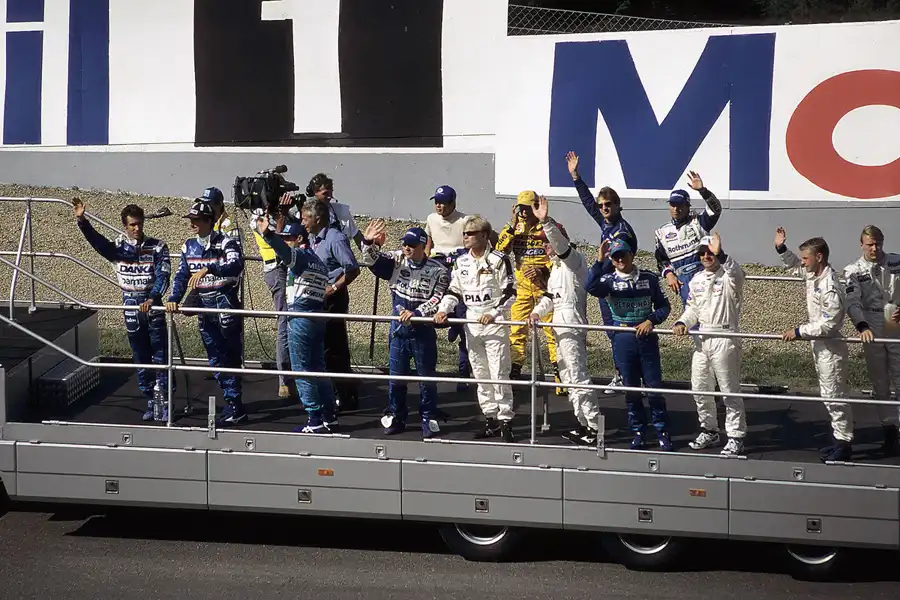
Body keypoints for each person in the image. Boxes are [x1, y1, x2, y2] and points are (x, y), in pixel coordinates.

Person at [72, 197, 173, 422]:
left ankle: (167, 401)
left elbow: (164, 275)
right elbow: (98, 243)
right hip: (129, 304)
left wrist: (153, 297)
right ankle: (151, 400)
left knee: (160, 355)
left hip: (153, 305)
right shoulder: (117, 248)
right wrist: (82, 221)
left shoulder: (158, 246)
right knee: (139, 356)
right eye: (132, 225)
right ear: (124, 226)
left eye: (140, 224)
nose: (137, 228)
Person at [361, 221, 450, 439]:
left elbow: (438, 298)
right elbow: (371, 260)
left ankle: (428, 417)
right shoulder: (397, 259)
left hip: (423, 329)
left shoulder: (439, 270)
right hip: (398, 329)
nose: (406, 248)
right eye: (404, 244)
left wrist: (418, 313)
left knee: (426, 377)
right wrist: (368, 242)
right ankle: (397, 415)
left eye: (411, 244)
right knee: (396, 377)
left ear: (422, 246)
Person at [435, 215, 518, 443]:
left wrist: (494, 313)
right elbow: (454, 291)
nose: (466, 237)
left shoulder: (499, 260)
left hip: (494, 323)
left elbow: (511, 292)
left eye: (470, 233)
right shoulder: (461, 261)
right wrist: (444, 309)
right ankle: (490, 419)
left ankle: (506, 421)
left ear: (483, 235)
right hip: (471, 323)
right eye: (464, 233)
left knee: (499, 373)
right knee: (480, 374)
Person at [775, 227, 853, 463]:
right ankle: (838, 440)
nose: (803, 262)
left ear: (819, 257)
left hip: (830, 346)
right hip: (820, 347)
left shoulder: (830, 285)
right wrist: (781, 248)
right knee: (828, 395)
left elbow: (829, 325)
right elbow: (795, 267)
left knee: (835, 396)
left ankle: (844, 443)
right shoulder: (813, 274)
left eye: (806, 257)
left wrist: (798, 331)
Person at [586, 238, 673, 451]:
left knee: (654, 388)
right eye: (615, 257)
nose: (620, 259)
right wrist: (598, 261)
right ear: (612, 260)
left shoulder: (650, 278)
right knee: (631, 389)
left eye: (623, 254)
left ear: (631, 255)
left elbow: (664, 306)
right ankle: (638, 432)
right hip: (623, 338)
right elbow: (590, 286)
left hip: (646, 338)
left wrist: (651, 320)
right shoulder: (607, 280)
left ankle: (662, 431)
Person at [165, 201, 247, 426]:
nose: (193, 223)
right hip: (204, 306)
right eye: (191, 219)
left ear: (210, 221)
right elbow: (182, 276)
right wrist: (173, 299)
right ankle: (232, 404)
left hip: (225, 303)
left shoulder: (226, 242)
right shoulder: (188, 246)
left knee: (229, 356)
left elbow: (236, 265)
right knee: (215, 357)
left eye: (198, 220)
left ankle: (234, 406)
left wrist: (210, 268)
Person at [527, 195, 600, 446]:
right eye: (543, 243)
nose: (546, 246)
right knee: (568, 376)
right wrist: (537, 312)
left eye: (548, 242)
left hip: (571, 324)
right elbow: (550, 298)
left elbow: (561, 247)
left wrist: (546, 221)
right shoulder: (556, 269)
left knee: (578, 375)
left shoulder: (575, 261)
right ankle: (583, 423)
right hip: (558, 325)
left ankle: (594, 426)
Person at [255, 218, 338, 434]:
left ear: (300, 239)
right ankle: (330, 416)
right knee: (319, 369)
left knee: (302, 370)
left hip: (300, 317)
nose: (286, 241)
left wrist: (270, 236)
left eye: (289, 237)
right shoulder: (319, 262)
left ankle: (314, 419)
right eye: (285, 238)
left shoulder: (300, 256)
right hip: (318, 316)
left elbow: (283, 252)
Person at [566, 151, 638, 395]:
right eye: (602, 205)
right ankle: (624, 374)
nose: (604, 209)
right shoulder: (606, 223)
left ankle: (627, 376)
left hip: (619, 288)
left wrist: (595, 274)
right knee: (613, 333)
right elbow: (588, 204)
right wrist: (576, 177)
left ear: (618, 206)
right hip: (608, 287)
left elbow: (616, 262)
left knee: (621, 332)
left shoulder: (622, 231)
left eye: (609, 205)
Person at [672, 232, 747, 456]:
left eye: (710, 253)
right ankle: (709, 430)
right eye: (702, 253)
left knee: (729, 390)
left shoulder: (729, 276)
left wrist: (721, 253)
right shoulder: (696, 279)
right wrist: (681, 321)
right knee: (700, 388)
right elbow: (692, 309)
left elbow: (737, 272)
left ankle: (735, 436)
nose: (706, 256)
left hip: (724, 336)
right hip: (702, 340)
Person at [496, 191, 565, 395]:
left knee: (553, 332)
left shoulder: (551, 227)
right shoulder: (513, 228)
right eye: (520, 208)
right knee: (517, 331)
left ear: (536, 207)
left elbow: (564, 256)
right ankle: (514, 373)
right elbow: (499, 252)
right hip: (522, 288)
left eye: (527, 208)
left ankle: (560, 374)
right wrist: (511, 225)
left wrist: (543, 270)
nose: (523, 212)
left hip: (547, 286)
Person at [842, 225, 900, 456]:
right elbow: (852, 300)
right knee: (880, 383)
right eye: (870, 244)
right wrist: (861, 324)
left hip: (894, 318)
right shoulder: (853, 270)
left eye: (878, 243)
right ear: (862, 244)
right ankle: (889, 431)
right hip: (871, 321)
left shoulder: (896, 261)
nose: (875, 248)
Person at [300, 198, 361, 411]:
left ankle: (346, 396)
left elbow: (352, 269)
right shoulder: (311, 238)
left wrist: (333, 288)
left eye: (305, 218)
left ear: (317, 219)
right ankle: (329, 392)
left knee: (335, 347)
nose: (302, 222)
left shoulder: (335, 238)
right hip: (316, 298)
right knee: (320, 346)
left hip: (333, 297)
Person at [249, 193, 300, 400]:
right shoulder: (257, 217)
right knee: (284, 322)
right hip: (276, 270)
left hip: (294, 267)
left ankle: (299, 373)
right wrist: (281, 215)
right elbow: (276, 241)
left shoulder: (288, 213)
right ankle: (283, 379)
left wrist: (289, 214)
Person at [424, 184, 471, 389]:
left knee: (464, 323)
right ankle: (424, 371)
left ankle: (463, 374)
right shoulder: (431, 219)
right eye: (436, 201)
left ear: (453, 203)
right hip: (436, 271)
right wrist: (425, 259)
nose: (438, 206)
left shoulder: (464, 220)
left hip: (458, 270)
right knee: (427, 317)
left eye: (443, 202)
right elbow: (428, 240)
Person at [654, 171, 723, 306]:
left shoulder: (699, 222)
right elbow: (661, 260)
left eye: (680, 205)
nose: (676, 208)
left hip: (705, 273)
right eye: (673, 205)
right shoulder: (661, 232)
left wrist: (703, 191)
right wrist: (668, 274)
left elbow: (716, 210)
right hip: (683, 278)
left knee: (712, 313)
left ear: (687, 206)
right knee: (692, 317)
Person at [305, 172, 364, 250]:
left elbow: (357, 237)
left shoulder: (341, 211)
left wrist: (369, 251)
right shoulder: (304, 215)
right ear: (315, 193)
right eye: (325, 193)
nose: (330, 197)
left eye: (331, 192)